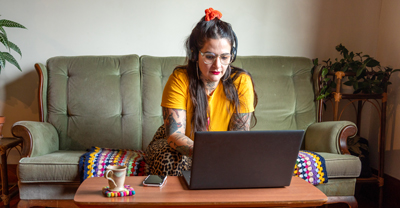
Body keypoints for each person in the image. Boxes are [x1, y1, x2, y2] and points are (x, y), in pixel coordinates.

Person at [145, 8, 258, 176]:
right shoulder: (179, 79)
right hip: (178, 142)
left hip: (220, 149)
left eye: (225, 57)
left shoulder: (241, 82)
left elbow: (239, 136)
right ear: (194, 54)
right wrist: (207, 154)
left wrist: (221, 156)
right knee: (169, 159)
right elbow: (175, 134)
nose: (218, 66)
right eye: (210, 57)